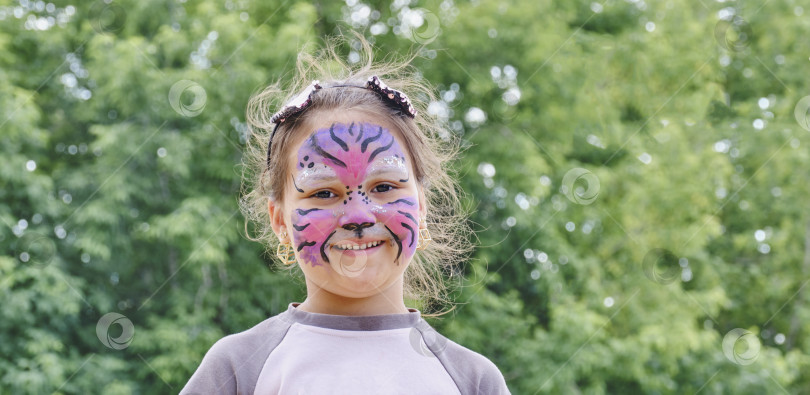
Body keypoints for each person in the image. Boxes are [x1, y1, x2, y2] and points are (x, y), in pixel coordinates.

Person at [181, 37, 510, 394]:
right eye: (324, 193)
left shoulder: (472, 380)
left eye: (384, 187)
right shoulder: (238, 368)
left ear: (422, 208)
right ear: (280, 222)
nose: (357, 216)